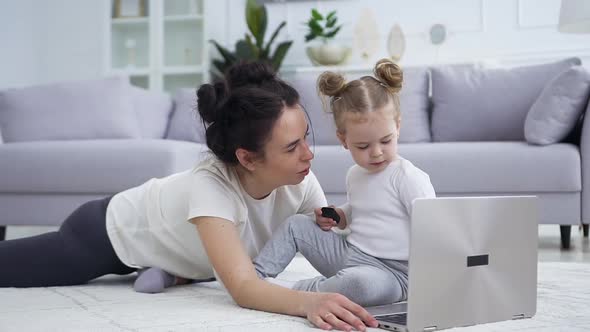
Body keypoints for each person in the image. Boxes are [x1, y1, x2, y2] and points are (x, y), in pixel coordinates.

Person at [0, 61, 378, 332]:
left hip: (169, 236)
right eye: (292, 146)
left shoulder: (301, 179)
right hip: (105, 232)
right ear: (247, 157)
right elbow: (243, 287)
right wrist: (308, 302)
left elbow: (336, 242)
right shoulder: (210, 185)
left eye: (307, 137)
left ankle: (171, 269)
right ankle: (165, 267)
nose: (309, 154)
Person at [252, 59, 436, 307]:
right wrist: (339, 215)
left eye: (386, 141)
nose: (377, 153)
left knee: (357, 285)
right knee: (296, 225)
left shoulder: (407, 177)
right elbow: (361, 208)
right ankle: (255, 277)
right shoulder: (355, 174)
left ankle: (303, 291)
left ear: (398, 127)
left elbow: (434, 225)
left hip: (394, 274)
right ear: (343, 139)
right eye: (363, 146)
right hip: (351, 253)